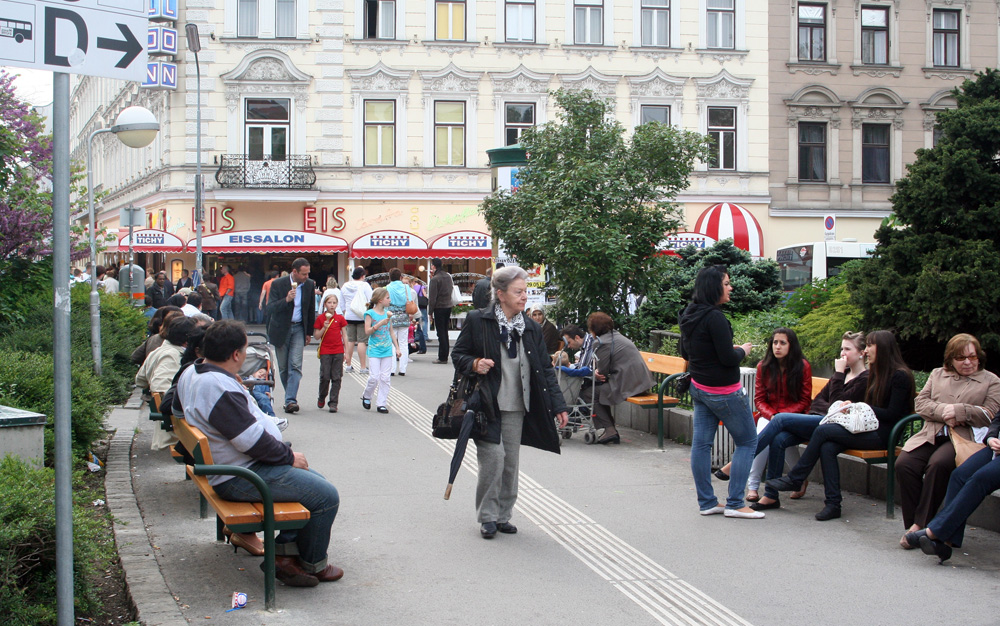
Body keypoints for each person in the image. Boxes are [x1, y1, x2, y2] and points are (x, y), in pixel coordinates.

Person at [176, 320, 343, 586]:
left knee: (316, 482)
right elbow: (250, 441)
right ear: (236, 355)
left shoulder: (193, 373)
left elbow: (176, 409)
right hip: (240, 474)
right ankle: (313, 563)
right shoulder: (218, 387)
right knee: (325, 496)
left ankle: (285, 556)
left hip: (230, 467)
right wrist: (288, 457)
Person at [451, 266, 570, 538]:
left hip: (518, 404)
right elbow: (458, 355)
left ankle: (503, 515)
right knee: (493, 459)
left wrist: (559, 406)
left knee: (510, 462)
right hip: (486, 404)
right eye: (519, 292)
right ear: (501, 294)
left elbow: (544, 368)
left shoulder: (530, 327)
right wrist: (475, 363)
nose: (524, 297)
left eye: (525, 291)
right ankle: (488, 516)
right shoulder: (478, 320)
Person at [768, 330, 916, 521]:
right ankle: (833, 504)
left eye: (871, 345)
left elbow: (893, 414)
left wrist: (859, 406)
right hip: (866, 428)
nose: (867, 350)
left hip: (883, 435)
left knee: (822, 431)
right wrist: (854, 407)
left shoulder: (900, 376)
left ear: (884, 348)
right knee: (828, 446)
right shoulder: (878, 373)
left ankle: (796, 478)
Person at [730, 332, 870, 511]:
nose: (842, 353)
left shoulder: (863, 378)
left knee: (779, 420)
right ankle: (771, 495)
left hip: (833, 426)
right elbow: (820, 399)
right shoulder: (843, 375)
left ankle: (739, 462)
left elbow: (836, 404)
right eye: (842, 348)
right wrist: (837, 382)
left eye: (847, 349)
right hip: (817, 419)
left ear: (861, 353)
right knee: (778, 438)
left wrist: (839, 373)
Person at [896, 333, 1000, 549]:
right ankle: (918, 523)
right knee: (904, 464)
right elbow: (921, 403)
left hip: (963, 439)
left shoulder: (991, 380)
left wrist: (960, 411)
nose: (968, 362)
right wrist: (943, 410)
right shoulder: (937, 374)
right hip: (931, 433)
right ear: (950, 359)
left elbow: (990, 414)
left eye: (972, 357)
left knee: (939, 465)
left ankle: (919, 526)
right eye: (961, 358)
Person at [679, 265, 761, 519]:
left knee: (702, 445)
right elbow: (728, 359)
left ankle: (707, 502)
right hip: (724, 391)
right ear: (714, 287)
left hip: (700, 388)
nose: (730, 287)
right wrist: (743, 351)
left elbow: (686, 353)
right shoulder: (714, 317)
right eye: (726, 283)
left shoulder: (688, 313)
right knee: (748, 441)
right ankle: (736, 502)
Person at [714, 328, 812, 503]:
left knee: (778, 437)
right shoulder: (764, 366)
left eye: (783, 343)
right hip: (769, 415)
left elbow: (805, 401)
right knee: (765, 435)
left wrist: (782, 416)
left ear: (792, 345)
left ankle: (736, 466)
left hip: (796, 417)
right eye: (775, 342)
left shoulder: (802, 366)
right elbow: (759, 399)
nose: (778, 347)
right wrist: (773, 415)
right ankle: (754, 486)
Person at [911, 411, 1000, 563]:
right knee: (959, 475)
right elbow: (997, 419)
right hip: (996, 449)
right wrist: (991, 438)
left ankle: (934, 532)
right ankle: (945, 543)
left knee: (980, 478)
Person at [579, 312, 653, 445]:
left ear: (594, 329)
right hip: (642, 382)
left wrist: (594, 373)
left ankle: (609, 429)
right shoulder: (617, 336)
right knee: (599, 391)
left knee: (589, 393)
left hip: (630, 385)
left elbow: (602, 372)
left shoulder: (601, 342)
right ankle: (610, 428)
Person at [136, 317, 198, 451]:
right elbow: (161, 387)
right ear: (188, 340)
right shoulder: (172, 356)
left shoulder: (158, 351)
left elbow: (140, 380)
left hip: (176, 424)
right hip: (176, 428)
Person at [266, 258, 316, 414]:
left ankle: (290, 400)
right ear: (294, 272)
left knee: (295, 364)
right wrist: (286, 299)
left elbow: (310, 309)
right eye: (303, 274)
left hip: (299, 328)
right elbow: (271, 308)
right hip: (281, 329)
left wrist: (309, 332)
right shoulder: (278, 284)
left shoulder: (309, 285)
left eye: (308, 273)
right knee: (283, 367)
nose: (306, 277)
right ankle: (290, 396)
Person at [361, 288, 401, 413]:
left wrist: (397, 348)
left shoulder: (388, 313)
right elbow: (367, 331)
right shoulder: (370, 314)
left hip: (387, 349)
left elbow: (391, 332)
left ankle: (381, 403)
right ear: (380, 300)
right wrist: (379, 324)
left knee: (385, 378)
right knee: (374, 377)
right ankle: (367, 395)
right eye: (388, 298)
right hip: (374, 349)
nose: (390, 300)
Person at [314, 295, 348, 413]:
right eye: (329, 302)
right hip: (325, 351)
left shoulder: (340, 318)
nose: (332, 305)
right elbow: (317, 336)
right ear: (325, 304)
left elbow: (345, 335)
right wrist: (324, 327)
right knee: (325, 376)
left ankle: (333, 402)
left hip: (338, 350)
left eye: (334, 303)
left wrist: (347, 352)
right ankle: (322, 396)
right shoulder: (320, 318)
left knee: (337, 377)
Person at [340, 267, 372, 374]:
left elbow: (341, 302)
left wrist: (345, 311)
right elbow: (370, 300)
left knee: (350, 340)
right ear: (362, 276)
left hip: (349, 315)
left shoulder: (345, 285)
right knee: (362, 341)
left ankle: (348, 365)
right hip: (361, 315)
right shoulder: (364, 285)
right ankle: (363, 367)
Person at [386, 269, 416, 376]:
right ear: (400, 277)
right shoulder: (406, 287)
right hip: (404, 316)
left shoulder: (388, 287)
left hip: (391, 316)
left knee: (392, 343)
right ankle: (403, 369)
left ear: (390, 277)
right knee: (403, 342)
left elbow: (386, 302)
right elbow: (409, 300)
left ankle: (392, 369)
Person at [428, 258, 455, 364]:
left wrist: (430, 312)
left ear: (434, 266)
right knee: (445, 331)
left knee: (441, 332)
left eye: (431, 266)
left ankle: (442, 357)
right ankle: (445, 354)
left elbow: (432, 298)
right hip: (448, 305)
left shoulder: (435, 279)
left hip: (439, 307)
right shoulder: (447, 276)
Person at [414, 280, 430, 353]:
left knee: (416, 323)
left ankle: (416, 337)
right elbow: (424, 295)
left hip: (416, 307)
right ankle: (425, 335)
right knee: (424, 321)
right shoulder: (421, 287)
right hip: (422, 306)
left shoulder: (413, 287)